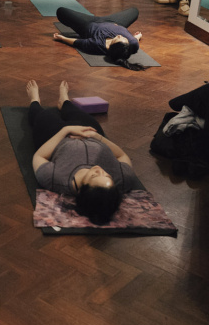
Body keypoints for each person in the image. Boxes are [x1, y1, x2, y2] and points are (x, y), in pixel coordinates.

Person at [27, 80, 144, 224]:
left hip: (56, 136)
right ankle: (64, 101)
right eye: (107, 175)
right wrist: (97, 136)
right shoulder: (123, 179)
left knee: (41, 116)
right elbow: (121, 155)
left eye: (94, 175)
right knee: (75, 112)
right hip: (91, 133)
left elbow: (39, 156)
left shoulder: (56, 179)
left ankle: (34, 100)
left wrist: (66, 130)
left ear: (81, 190)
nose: (99, 169)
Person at [52, 7, 147, 71]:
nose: (120, 36)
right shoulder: (131, 43)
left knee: (61, 11)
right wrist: (137, 37)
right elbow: (135, 41)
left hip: (88, 23)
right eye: (124, 38)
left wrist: (62, 38)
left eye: (119, 38)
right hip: (115, 21)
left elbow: (77, 42)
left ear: (112, 46)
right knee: (135, 10)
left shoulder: (97, 44)